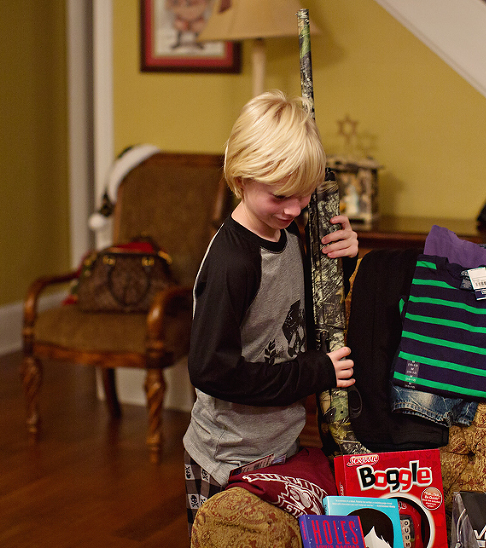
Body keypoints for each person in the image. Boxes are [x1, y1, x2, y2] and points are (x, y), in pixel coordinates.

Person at [182, 90, 358, 536]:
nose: (294, 209)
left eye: (303, 194)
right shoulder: (232, 263)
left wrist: (343, 259)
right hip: (227, 458)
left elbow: (306, 309)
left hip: (281, 445)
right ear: (242, 180)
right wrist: (315, 372)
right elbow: (211, 370)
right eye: (280, 196)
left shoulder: (290, 233)